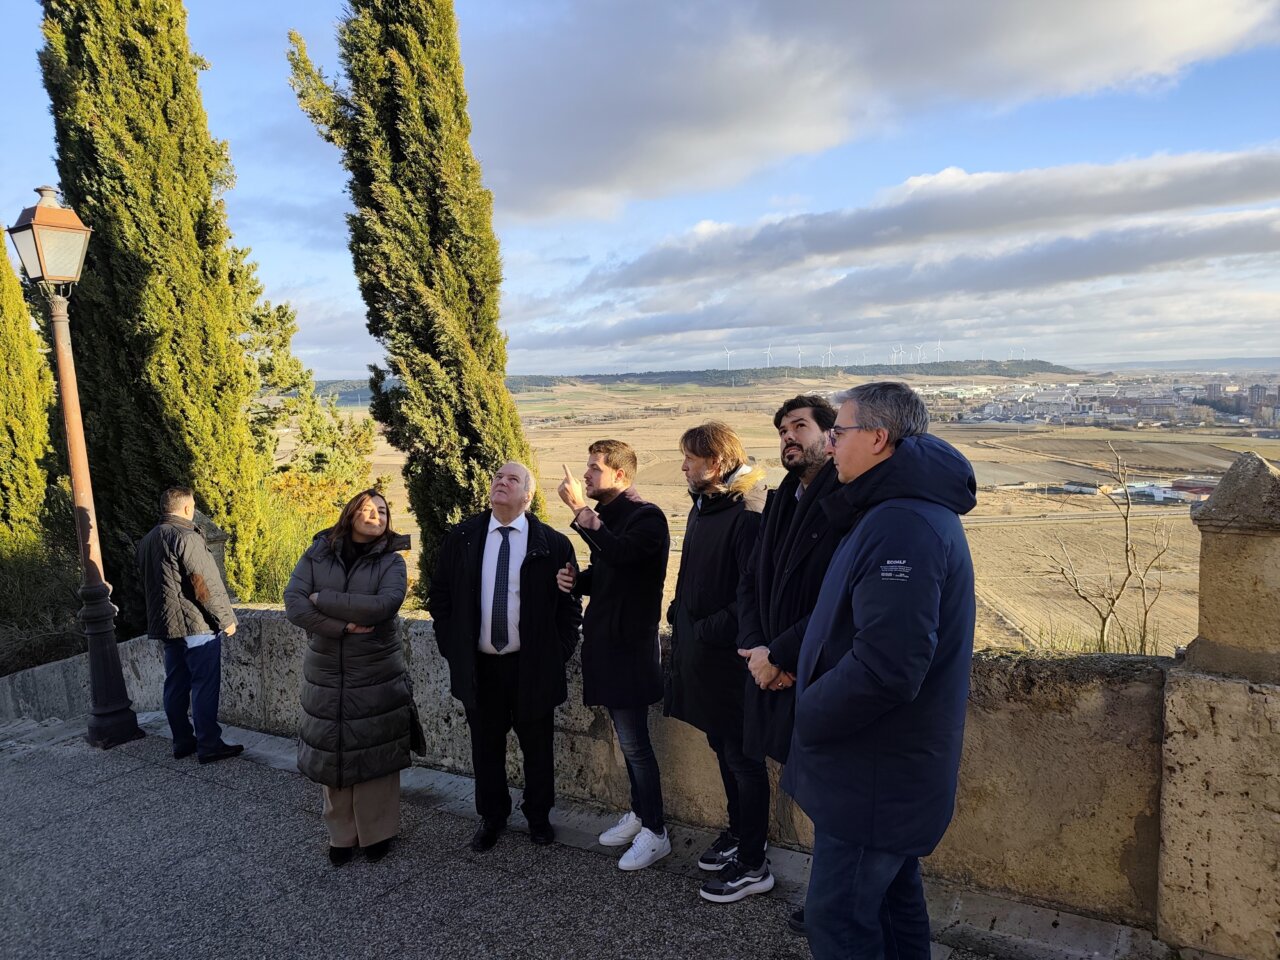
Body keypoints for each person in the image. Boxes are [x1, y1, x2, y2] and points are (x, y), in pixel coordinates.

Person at [783, 382, 977, 959]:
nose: (832, 446)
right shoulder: (893, 511)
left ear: (877, 438)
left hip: (874, 775)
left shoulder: (904, 526)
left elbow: (889, 667)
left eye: (839, 433)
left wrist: (809, 710)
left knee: (838, 922)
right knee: (892, 909)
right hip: (884, 770)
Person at [429, 462, 582, 853]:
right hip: (480, 667)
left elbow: (569, 608)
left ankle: (538, 817)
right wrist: (452, 647)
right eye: (497, 477)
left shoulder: (551, 544)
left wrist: (556, 654)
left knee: (538, 747)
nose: (501, 482)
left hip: (531, 667)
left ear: (528, 496)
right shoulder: (462, 538)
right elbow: (441, 597)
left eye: (512, 479)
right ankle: (492, 816)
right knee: (486, 747)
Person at [736, 395, 843, 934]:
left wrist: (781, 656)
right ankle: (824, 898)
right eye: (781, 430)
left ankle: (827, 902)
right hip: (773, 666)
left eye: (799, 426)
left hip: (817, 672)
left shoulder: (845, 502)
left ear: (831, 435)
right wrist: (758, 649)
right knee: (805, 786)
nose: (787, 438)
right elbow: (752, 582)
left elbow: (837, 602)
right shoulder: (780, 500)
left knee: (829, 797)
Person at [663, 421, 771, 903]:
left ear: (720, 463)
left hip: (730, 662)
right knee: (723, 751)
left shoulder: (748, 511)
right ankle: (737, 834)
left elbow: (753, 598)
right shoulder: (707, 504)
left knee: (744, 760)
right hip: (702, 658)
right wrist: (679, 613)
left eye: (691, 458)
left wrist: (702, 630)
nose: (683, 465)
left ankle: (754, 861)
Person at [555, 440, 671, 871]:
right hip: (607, 644)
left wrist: (579, 512)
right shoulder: (609, 521)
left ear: (620, 475)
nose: (586, 476)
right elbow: (611, 574)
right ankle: (640, 815)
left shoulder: (648, 518)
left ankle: (656, 831)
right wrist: (578, 580)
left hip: (630, 648)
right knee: (627, 743)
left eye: (594, 468)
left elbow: (623, 556)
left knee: (636, 745)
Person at [283, 489, 414, 866]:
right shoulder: (318, 551)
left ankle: (377, 833)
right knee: (333, 751)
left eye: (384, 511)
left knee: (374, 749)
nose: (377, 515)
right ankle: (341, 834)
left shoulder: (391, 560)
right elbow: (293, 603)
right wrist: (342, 627)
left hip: (375, 671)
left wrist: (322, 599)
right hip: (325, 668)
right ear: (351, 513)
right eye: (369, 508)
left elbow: (383, 606)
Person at [137, 486, 242, 764]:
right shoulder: (186, 536)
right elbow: (202, 583)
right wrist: (225, 619)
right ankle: (209, 744)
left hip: (167, 625)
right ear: (187, 508)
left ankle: (182, 741)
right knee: (204, 684)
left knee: (176, 684)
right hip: (196, 625)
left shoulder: (148, 539)